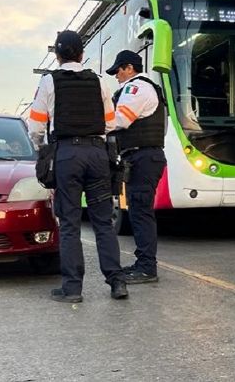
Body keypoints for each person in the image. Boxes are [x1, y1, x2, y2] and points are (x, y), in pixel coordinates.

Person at [26, 30, 127, 302]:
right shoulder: (99, 82)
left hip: (67, 154)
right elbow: (110, 123)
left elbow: (35, 125)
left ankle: (72, 288)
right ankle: (117, 283)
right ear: (82, 54)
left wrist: (42, 150)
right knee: (103, 222)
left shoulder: (49, 82)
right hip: (97, 155)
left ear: (57, 56)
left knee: (69, 223)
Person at [106, 50, 167, 284]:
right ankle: (143, 262)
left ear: (129, 68)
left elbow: (120, 120)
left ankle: (147, 268)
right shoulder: (139, 88)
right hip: (142, 157)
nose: (116, 76)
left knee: (141, 213)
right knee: (138, 212)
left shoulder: (137, 88)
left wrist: (93, 123)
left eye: (118, 71)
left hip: (143, 157)